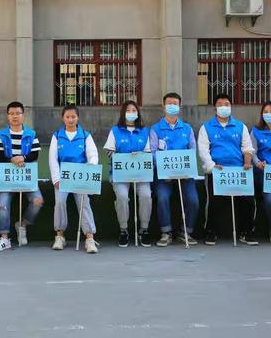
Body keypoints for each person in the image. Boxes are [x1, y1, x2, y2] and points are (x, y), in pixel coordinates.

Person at [198, 93, 257, 246]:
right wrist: (212, 166)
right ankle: (210, 231)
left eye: (227, 104)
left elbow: (247, 147)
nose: (224, 107)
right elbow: (203, 150)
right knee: (214, 201)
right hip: (217, 170)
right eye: (220, 104)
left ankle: (247, 231)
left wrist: (247, 163)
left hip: (238, 170)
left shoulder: (240, 126)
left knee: (248, 200)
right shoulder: (206, 128)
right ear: (215, 108)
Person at [0, 101, 43, 251]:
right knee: (2, 205)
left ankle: (22, 224)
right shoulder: (1, 134)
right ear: (8, 116)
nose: (15, 116)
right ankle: (4, 238)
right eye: (11, 113)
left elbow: (35, 154)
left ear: (23, 115)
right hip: (7, 178)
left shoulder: (31, 134)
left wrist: (23, 158)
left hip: (26, 177)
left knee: (38, 201)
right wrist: (12, 159)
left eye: (18, 113)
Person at [150, 92, 200, 247]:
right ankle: (166, 232)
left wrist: (186, 171)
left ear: (180, 106)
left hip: (185, 174)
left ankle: (186, 231)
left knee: (193, 200)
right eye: (169, 103)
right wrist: (165, 172)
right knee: (162, 197)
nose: (172, 106)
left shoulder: (187, 128)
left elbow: (192, 150)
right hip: (164, 176)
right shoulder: (156, 129)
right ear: (163, 106)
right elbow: (152, 153)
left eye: (175, 103)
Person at [49, 104, 99, 254]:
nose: (70, 120)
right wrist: (56, 179)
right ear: (63, 118)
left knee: (84, 203)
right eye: (67, 117)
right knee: (60, 201)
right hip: (63, 177)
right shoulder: (57, 135)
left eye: (73, 117)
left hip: (81, 177)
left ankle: (89, 237)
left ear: (78, 118)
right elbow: (52, 159)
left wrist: (89, 168)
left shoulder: (85, 135)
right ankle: (59, 235)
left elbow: (93, 155)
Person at [104, 100, 152, 247]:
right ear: (123, 113)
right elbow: (109, 151)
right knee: (122, 197)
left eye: (134, 110)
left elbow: (148, 152)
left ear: (138, 113)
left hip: (141, 173)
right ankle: (123, 230)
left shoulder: (144, 131)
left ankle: (144, 229)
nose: (131, 113)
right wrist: (122, 157)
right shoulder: (115, 130)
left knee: (146, 195)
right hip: (120, 173)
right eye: (128, 110)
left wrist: (140, 155)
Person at [250, 101, 271, 241]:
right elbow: (252, 153)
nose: (268, 115)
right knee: (269, 200)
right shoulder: (256, 131)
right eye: (266, 112)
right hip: (265, 172)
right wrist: (258, 163)